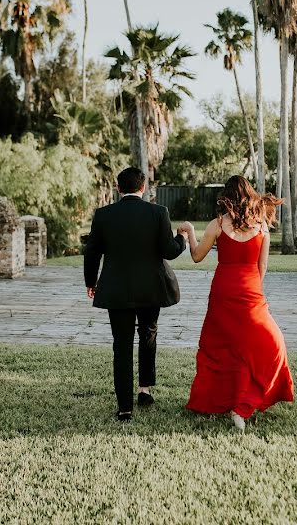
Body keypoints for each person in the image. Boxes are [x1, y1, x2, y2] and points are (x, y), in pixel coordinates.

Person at [179, 175, 294, 431]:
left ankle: (218, 402)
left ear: (227, 197)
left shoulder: (217, 225)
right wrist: (253, 288)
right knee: (271, 344)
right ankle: (241, 404)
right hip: (251, 293)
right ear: (250, 195)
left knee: (221, 348)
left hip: (222, 291)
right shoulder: (262, 226)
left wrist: (189, 232)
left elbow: (197, 256)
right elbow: (262, 266)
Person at [84, 167, 188, 422]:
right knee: (148, 334)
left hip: (116, 290)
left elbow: (92, 252)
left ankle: (124, 408)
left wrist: (91, 281)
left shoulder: (104, 214)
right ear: (143, 188)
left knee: (121, 345)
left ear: (119, 188)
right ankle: (145, 389)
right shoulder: (158, 212)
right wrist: (181, 237)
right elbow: (169, 251)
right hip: (151, 289)